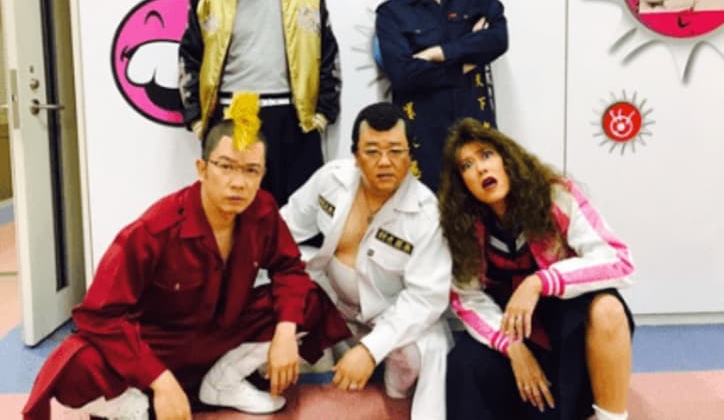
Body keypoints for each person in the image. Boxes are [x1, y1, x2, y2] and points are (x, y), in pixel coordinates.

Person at [22, 94, 350, 420]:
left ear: (262, 175)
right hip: (161, 344)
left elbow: (288, 268)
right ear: (202, 169)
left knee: (308, 301)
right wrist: (159, 379)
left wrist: (285, 333)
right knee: (76, 364)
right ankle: (133, 402)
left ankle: (223, 381)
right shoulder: (155, 229)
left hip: (223, 335)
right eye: (226, 167)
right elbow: (100, 315)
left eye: (251, 170)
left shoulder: (262, 210)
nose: (238, 183)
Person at [439, 118, 635, 420]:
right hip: (513, 331)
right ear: (462, 182)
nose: (480, 169)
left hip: (567, 325)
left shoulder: (554, 195)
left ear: (506, 159)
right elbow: (466, 298)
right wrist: (513, 347)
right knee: (463, 362)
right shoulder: (464, 226)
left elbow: (618, 261)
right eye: (467, 165)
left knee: (607, 309)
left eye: (486, 155)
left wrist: (539, 282)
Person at [280, 102, 452, 420]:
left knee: (412, 358)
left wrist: (371, 350)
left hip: (388, 315)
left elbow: (425, 298)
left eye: (395, 151)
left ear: (410, 155)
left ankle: (391, 399)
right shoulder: (331, 180)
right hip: (333, 298)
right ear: (355, 155)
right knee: (274, 285)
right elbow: (284, 228)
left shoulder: (427, 214)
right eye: (372, 151)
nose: (384, 162)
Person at [179, 0, 341, 206]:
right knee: (235, 211)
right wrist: (198, 122)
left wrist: (322, 115)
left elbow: (328, 56)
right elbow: (190, 59)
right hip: (232, 115)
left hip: (294, 118)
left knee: (298, 214)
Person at [375, 0, 508, 193]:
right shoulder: (391, 14)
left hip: (478, 136)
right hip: (424, 142)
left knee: (484, 216)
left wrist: (441, 52)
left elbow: (499, 39)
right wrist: (466, 60)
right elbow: (404, 76)